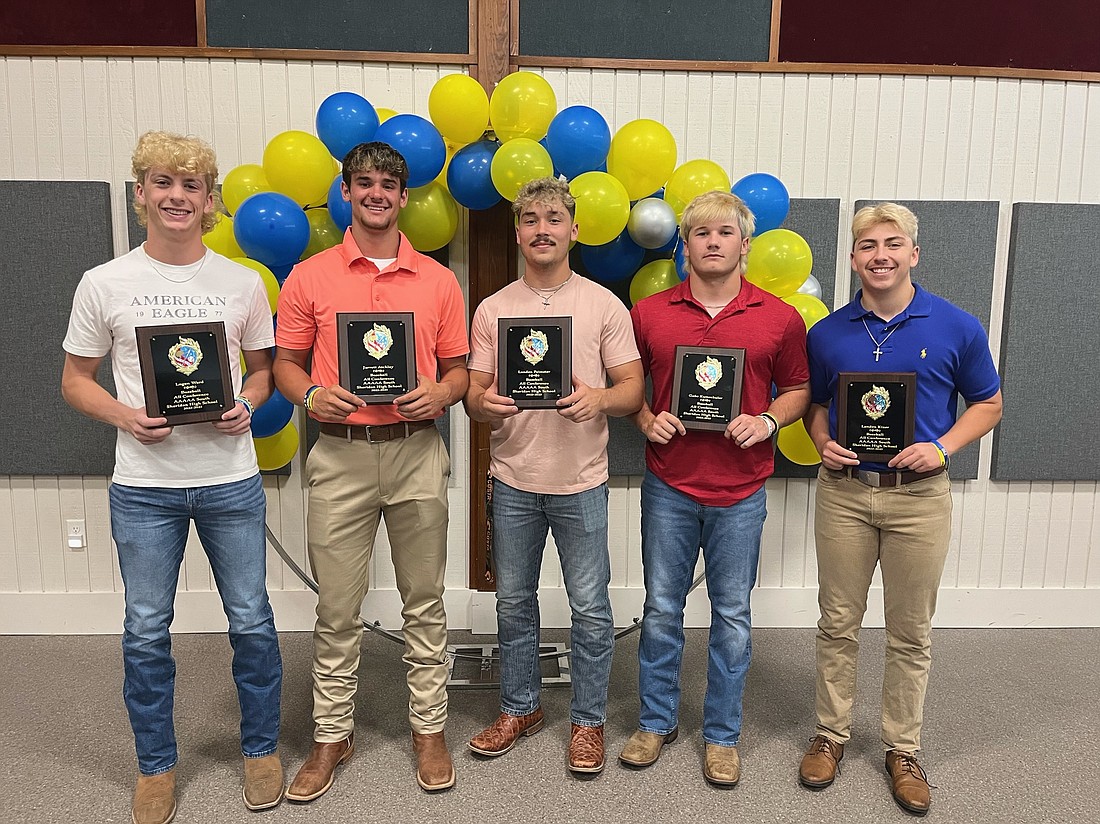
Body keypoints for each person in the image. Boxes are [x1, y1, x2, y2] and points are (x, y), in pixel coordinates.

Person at [61, 131, 284, 824]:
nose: (177, 196)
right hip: (144, 489)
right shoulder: (104, 283)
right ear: (141, 195)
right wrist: (128, 416)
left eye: (191, 186)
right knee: (146, 628)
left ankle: (261, 749)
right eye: (163, 183)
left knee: (250, 620)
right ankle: (155, 767)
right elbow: (74, 382)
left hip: (230, 480)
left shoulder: (242, 282)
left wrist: (246, 404)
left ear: (210, 201)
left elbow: (266, 369)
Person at [274, 141, 468, 798]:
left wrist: (443, 394)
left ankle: (429, 727)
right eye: (365, 183)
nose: (378, 193)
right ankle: (332, 735)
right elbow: (285, 364)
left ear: (404, 196)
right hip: (340, 453)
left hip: (417, 449)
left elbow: (461, 371)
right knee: (337, 607)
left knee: (426, 601)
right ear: (347, 191)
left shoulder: (439, 281)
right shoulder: (309, 276)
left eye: (389, 183)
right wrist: (306, 396)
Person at [797, 203, 1002, 815]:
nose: (879, 254)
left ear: (914, 253)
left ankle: (902, 747)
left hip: (919, 502)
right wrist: (820, 441)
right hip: (846, 495)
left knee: (911, 630)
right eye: (866, 244)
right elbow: (816, 407)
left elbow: (988, 405)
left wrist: (941, 447)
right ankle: (830, 734)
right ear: (853, 257)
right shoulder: (827, 333)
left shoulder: (957, 327)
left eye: (892, 243)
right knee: (837, 621)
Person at [622, 190, 810, 787]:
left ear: (744, 245)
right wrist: (645, 419)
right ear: (684, 244)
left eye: (724, 232)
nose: (711, 242)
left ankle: (722, 735)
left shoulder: (779, 317)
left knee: (731, 615)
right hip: (669, 486)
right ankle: (655, 723)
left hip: (741, 491)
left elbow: (799, 388)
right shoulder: (649, 313)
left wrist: (770, 421)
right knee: (660, 611)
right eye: (699, 233)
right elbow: (626, 387)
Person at [464, 177, 643, 775]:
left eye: (553, 218)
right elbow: (473, 394)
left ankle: (588, 720)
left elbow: (632, 390)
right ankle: (521, 707)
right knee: (514, 604)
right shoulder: (494, 308)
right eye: (530, 219)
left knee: (590, 608)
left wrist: (599, 398)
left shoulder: (602, 305)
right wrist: (482, 405)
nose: (542, 229)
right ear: (518, 232)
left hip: (582, 480)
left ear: (573, 230)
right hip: (513, 477)